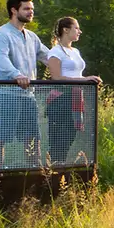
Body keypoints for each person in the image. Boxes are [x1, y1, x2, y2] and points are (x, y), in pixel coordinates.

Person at [0, 0, 50, 167]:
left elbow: (49, 57)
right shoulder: (2, 34)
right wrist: (17, 75)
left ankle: (35, 175)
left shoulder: (32, 37)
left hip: (28, 95)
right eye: (27, 8)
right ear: (14, 10)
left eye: (32, 9)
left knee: (32, 136)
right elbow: (1, 59)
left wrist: (75, 74)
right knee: (1, 136)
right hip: (6, 94)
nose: (31, 12)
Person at [40, 15, 101, 166]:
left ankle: (60, 172)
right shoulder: (56, 52)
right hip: (61, 99)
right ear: (66, 30)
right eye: (76, 28)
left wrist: (87, 81)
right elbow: (56, 77)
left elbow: (77, 73)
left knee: (69, 137)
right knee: (59, 140)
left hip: (75, 98)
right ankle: (53, 172)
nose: (79, 31)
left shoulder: (75, 51)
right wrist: (85, 80)